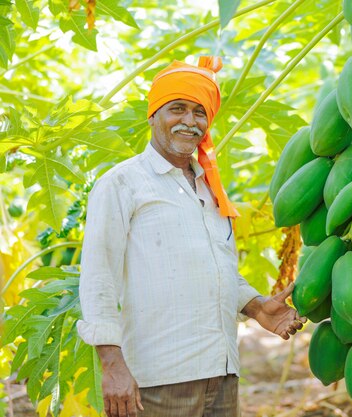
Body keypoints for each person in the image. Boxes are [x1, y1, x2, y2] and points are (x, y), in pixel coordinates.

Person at [77, 56, 306, 417]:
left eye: (200, 112)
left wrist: (256, 306)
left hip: (222, 372)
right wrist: (112, 366)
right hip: (159, 378)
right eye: (177, 109)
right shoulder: (122, 184)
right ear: (153, 115)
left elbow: (212, 267)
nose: (189, 121)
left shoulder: (209, 188)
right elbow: (98, 278)